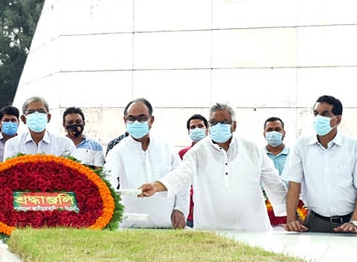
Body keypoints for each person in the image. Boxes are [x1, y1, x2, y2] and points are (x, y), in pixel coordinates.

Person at [138, 103, 286, 231]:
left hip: (253, 227)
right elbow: (181, 175)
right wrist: (156, 186)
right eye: (214, 123)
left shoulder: (252, 149)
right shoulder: (198, 152)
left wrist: (291, 215)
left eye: (224, 122)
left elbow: (274, 183)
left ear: (234, 125)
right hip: (211, 229)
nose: (218, 126)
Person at [281, 95, 357, 234]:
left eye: (325, 114)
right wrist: (291, 219)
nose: (319, 118)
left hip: (352, 222)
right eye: (316, 114)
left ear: (338, 119)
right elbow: (294, 185)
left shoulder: (355, 147)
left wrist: (354, 222)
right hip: (316, 222)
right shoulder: (301, 146)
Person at [104, 98, 189, 228]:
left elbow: (182, 180)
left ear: (151, 120)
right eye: (131, 119)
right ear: (125, 121)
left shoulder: (166, 147)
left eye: (142, 118)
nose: (136, 122)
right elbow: (109, 181)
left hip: (167, 225)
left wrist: (180, 209)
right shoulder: (117, 151)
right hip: (130, 226)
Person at [3, 96, 75, 159]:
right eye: (31, 112)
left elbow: (71, 170)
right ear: (23, 119)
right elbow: (10, 172)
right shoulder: (13, 144)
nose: (36, 115)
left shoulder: (64, 143)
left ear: (48, 117)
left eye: (41, 111)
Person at [178, 114, 209, 228]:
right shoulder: (182, 154)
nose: (196, 129)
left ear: (207, 130)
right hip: (189, 210)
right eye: (193, 127)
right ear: (188, 131)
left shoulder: (217, 153)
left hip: (210, 208)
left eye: (200, 126)